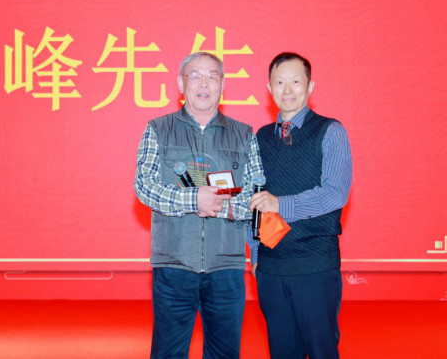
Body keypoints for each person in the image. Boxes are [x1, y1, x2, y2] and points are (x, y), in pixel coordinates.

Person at [134, 51, 264, 359]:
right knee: (168, 352)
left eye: (212, 76)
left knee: (224, 353)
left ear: (223, 85)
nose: (204, 83)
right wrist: (194, 200)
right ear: (181, 84)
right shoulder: (158, 129)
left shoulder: (244, 134)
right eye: (195, 75)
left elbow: (256, 195)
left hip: (226, 265)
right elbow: (144, 186)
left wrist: (219, 205)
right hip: (174, 264)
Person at [248, 52, 353, 359]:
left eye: (296, 81)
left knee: (322, 350)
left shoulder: (330, 131)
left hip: (315, 266)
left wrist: (280, 204)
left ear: (310, 87)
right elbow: (254, 199)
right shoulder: (261, 138)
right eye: (279, 82)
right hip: (271, 268)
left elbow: (335, 194)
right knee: (281, 351)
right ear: (269, 88)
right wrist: (255, 255)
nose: (288, 90)